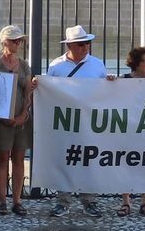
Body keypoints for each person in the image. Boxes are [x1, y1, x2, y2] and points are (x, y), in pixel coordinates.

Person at [40, 25, 106, 219]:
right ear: (70, 46)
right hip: (65, 121)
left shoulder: (97, 64)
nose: (86, 47)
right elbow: (48, 91)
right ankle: (63, 201)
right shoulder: (56, 66)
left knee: (88, 159)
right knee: (65, 159)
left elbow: (106, 92)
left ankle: (89, 200)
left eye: (87, 43)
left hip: (89, 120)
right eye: (81, 44)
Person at [0, 25, 32, 217]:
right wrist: (3, 117)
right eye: (15, 40)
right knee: (2, 158)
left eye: (20, 40)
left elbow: (28, 92)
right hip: (1, 119)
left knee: (19, 158)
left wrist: (23, 114)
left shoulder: (24, 65)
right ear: (5, 42)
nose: (18, 43)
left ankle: (17, 199)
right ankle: (2, 200)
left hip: (21, 117)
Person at [112, 46, 145, 218]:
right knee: (126, 164)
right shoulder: (124, 79)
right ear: (136, 63)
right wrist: (110, 81)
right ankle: (126, 202)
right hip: (127, 129)